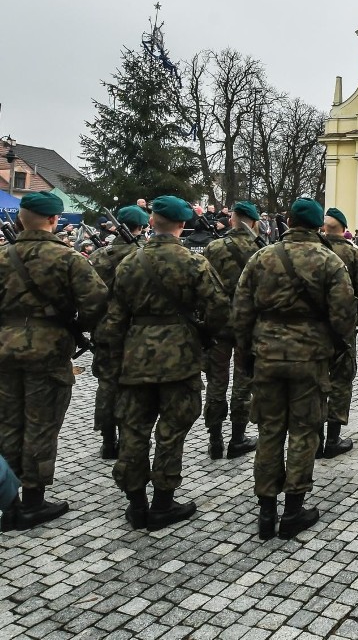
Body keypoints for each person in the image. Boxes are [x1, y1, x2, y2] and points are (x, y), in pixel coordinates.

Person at [99, 195, 231, 531]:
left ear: (152, 222)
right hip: (180, 358)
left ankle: (136, 503)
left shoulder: (129, 264)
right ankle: (162, 502)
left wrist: (111, 361)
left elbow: (113, 320)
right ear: (182, 224)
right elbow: (218, 308)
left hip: (135, 358)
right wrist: (207, 335)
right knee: (172, 431)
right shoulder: (193, 262)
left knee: (133, 429)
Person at [232, 198, 355, 541]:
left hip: (267, 355)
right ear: (318, 226)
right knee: (303, 431)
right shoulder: (330, 261)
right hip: (309, 358)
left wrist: (244, 353)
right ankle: (293, 510)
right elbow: (344, 315)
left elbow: (241, 311)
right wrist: (335, 349)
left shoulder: (261, 258)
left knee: (270, 430)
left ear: (288, 221)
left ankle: (266, 510)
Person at [0, 192, 109, 530]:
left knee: (7, 423)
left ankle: (9, 503)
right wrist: (79, 327)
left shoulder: (2, 257)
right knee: (41, 423)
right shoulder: (68, 259)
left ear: (20, 219)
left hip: (4, 349)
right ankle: (33, 501)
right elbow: (96, 300)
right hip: (47, 351)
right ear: (53, 220)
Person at [88, 205, 150, 460]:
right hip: (136, 328)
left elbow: (89, 295)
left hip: (105, 327)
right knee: (133, 385)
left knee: (107, 384)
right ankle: (129, 436)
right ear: (141, 227)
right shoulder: (143, 256)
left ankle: (107, 440)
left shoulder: (100, 255)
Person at [202, 200, 263, 460]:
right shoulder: (261, 251)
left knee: (216, 381)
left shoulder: (213, 247)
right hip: (247, 324)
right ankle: (237, 438)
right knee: (243, 381)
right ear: (254, 222)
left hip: (217, 323)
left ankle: (215, 439)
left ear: (232, 220)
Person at [320, 208, 358, 457]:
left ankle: (313, 437)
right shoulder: (352, 253)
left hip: (311, 329)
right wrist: (357, 312)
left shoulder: (313, 250)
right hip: (342, 328)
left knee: (315, 379)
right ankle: (332, 439)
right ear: (343, 227)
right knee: (340, 381)